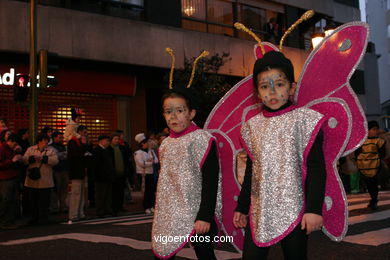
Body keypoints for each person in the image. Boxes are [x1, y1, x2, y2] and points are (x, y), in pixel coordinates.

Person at [233, 51, 326, 259]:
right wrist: (242, 206)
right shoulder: (252, 127)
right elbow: (252, 171)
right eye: (265, 86)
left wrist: (313, 209)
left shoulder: (305, 121)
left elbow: (317, 168)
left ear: (292, 87)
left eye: (280, 84)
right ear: (257, 92)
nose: (272, 92)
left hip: (295, 209)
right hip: (260, 211)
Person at [152, 49, 219, 259]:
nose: (173, 116)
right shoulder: (165, 144)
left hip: (198, 213)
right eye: (168, 111)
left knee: (205, 254)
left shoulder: (202, 140)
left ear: (191, 113)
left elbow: (210, 180)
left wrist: (205, 216)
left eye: (180, 110)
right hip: (170, 214)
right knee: (162, 252)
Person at [23, 134, 58, 225]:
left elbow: (55, 161)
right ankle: (33, 218)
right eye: (44, 140)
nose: (46, 142)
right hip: (32, 179)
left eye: (47, 140)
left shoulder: (51, 150)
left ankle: (43, 218)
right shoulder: (31, 149)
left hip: (46, 180)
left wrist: (44, 158)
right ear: (39, 141)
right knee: (33, 200)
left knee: (44, 201)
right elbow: (24, 160)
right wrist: (31, 159)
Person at [355, 120, 386, 210]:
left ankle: (374, 200)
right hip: (364, 166)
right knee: (369, 184)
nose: (375, 131)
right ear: (368, 130)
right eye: (373, 129)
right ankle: (373, 199)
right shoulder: (362, 141)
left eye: (377, 129)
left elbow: (382, 155)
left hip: (375, 166)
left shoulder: (380, 141)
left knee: (373, 184)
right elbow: (357, 153)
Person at [67, 125, 91, 221]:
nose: (86, 134)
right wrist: (84, 146)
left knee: (82, 193)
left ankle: (80, 213)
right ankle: (73, 214)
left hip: (83, 170)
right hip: (76, 170)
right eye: (85, 132)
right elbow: (76, 155)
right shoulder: (72, 142)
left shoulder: (83, 142)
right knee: (76, 193)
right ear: (79, 132)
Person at [0, 133, 23, 229]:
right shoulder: (2, 149)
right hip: (5, 178)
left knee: (12, 200)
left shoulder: (11, 149)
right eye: (14, 143)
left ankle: (9, 221)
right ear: (10, 141)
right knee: (6, 200)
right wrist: (12, 161)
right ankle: (4, 222)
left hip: (13, 177)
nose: (15, 145)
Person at [91, 135, 115, 218]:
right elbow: (96, 165)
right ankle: (100, 211)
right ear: (101, 141)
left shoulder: (107, 150)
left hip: (107, 176)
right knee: (100, 194)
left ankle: (107, 209)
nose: (108, 142)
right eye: (106, 141)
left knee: (108, 194)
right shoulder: (97, 150)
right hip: (100, 177)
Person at [134, 133, 157, 214]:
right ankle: (146, 207)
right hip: (143, 174)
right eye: (147, 142)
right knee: (146, 191)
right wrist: (150, 162)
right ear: (143, 143)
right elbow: (141, 163)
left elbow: (156, 161)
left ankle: (151, 206)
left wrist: (149, 162)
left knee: (151, 190)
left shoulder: (151, 151)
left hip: (151, 173)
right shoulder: (138, 153)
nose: (149, 144)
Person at [109, 132, 131, 214]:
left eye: (118, 139)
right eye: (115, 139)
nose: (117, 141)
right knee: (114, 191)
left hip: (122, 173)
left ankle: (120, 206)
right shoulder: (110, 149)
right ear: (111, 140)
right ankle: (113, 207)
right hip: (114, 173)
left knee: (121, 191)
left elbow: (128, 155)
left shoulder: (122, 148)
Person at [50, 131, 69, 213]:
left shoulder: (62, 146)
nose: (61, 139)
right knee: (56, 190)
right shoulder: (51, 147)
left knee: (64, 189)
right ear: (54, 138)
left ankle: (63, 206)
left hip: (64, 169)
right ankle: (55, 207)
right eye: (59, 137)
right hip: (56, 170)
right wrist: (63, 154)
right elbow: (58, 156)